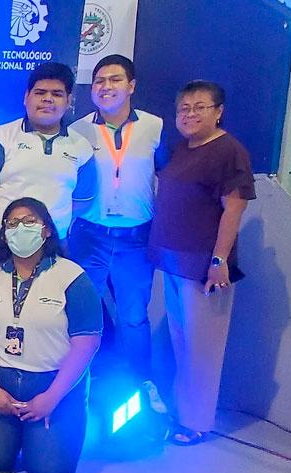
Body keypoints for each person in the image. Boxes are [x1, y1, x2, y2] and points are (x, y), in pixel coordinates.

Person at [0, 197, 101, 473]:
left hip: (53, 382)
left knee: (51, 472)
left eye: (29, 221)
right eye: (12, 224)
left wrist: (52, 397)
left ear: (47, 229)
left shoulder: (71, 277)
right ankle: (13, 432)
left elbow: (87, 342)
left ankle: (40, 435)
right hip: (0, 380)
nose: (20, 228)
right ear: (4, 234)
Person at [147, 80, 255, 445]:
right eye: (184, 108)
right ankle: (182, 412)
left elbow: (234, 208)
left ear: (219, 111)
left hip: (204, 268)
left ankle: (197, 422)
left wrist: (218, 259)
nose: (190, 114)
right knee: (181, 343)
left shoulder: (229, 151)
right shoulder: (180, 149)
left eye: (200, 107)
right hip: (173, 263)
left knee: (202, 350)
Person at [68, 54, 169, 412]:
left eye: (114, 80)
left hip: (135, 238)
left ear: (131, 86)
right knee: (81, 313)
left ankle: (142, 382)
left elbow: (168, 177)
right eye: (99, 81)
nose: (106, 87)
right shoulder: (78, 130)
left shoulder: (154, 127)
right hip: (89, 235)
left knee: (134, 316)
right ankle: (78, 384)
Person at [0, 62, 96, 271]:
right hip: (1, 247)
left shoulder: (81, 147)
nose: (48, 99)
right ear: (26, 97)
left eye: (57, 94)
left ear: (69, 101)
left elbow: (81, 203)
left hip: (53, 248)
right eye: (40, 92)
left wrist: (52, 225)